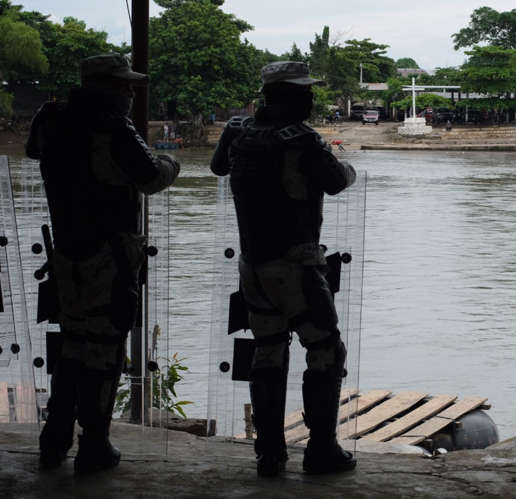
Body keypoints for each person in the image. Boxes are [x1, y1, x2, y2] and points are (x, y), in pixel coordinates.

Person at [26, 54, 180, 476]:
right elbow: (150, 176)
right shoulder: (112, 125)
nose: (131, 93)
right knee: (107, 350)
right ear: (105, 86)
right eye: (124, 85)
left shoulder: (51, 117)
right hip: (109, 254)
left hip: (67, 250)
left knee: (73, 343)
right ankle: (94, 443)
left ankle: (54, 439)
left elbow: (35, 153)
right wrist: (171, 163)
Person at [210, 61, 357, 477]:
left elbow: (218, 167)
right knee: (326, 349)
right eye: (305, 92)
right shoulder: (304, 141)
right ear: (288, 97)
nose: (311, 99)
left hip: (252, 265)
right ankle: (321, 449)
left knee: (269, 349)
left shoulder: (237, 132)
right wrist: (347, 165)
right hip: (296, 263)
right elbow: (337, 180)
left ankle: (269, 454)